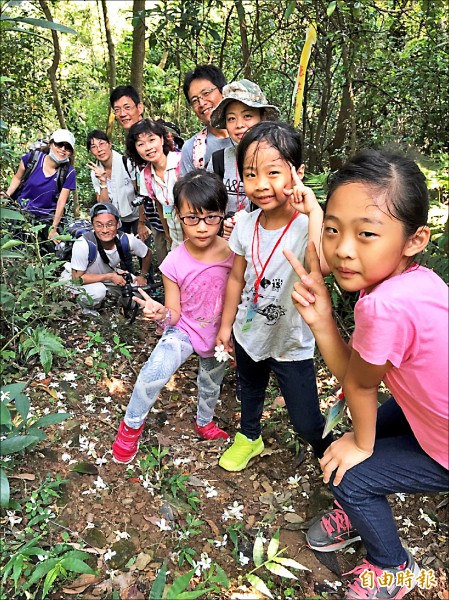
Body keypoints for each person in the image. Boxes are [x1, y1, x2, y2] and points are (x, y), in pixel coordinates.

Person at [285, 150, 449, 599]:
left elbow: (359, 384)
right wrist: (321, 318)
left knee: (350, 472)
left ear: (415, 239)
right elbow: (358, 372)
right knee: (347, 451)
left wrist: (362, 444)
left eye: (367, 234)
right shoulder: (418, 281)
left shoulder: (383, 304)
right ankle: (361, 513)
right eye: (334, 230)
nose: (343, 249)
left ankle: (394, 568)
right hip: (430, 415)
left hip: (444, 442)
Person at [216, 121, 332, 472]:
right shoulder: (246, 224)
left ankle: (331, 455)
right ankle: (249, 436)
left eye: (273, 172)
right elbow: (236, 277)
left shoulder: (305, 224)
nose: (262, 185)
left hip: (291, 340)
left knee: (307, 420)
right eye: (251, 174)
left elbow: (321, 266)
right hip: (249, 331)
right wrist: (226, 327)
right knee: (249, 391)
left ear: (297, 174)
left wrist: (314, 211)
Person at [112, 170, 234, 463]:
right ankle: (130, 427)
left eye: (210, 217)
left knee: (211, 381)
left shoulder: (234, 251)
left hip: (222, 332)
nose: (202, 227)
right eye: (192, 218)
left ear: (222, 214)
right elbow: (174, 312)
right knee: (154, 371)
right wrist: (161, 313)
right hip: (185, 329)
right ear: (178, 217)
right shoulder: (173, 262)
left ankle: (204, 422)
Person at [207, 78, 280, 238]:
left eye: (247, 116)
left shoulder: (277, 160)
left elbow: (283, 210)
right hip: (226, 247)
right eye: (231, 118)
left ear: (263, 117)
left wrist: (248, 225)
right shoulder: (219, 160)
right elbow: (208, 205)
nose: (239, 124)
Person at [110, 85, 167, 266]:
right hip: (158, 222)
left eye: (127, 107)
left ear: (139, 108)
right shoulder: (131, 145)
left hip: (177, 221)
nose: (122, 114)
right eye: (117, 110)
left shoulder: (157, 133)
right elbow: (144, 188)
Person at [65, 202, 152, 314]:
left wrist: (143, 275)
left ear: (117, 224)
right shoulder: (83, 244)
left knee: (139, 291)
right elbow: (77, 279)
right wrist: (109, 276)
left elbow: (147, 253)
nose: (105, 230)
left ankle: (122, 302)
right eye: (99, 225)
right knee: (98, 292)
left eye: (110, 224)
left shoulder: (125, 240)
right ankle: (85, 307)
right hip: (83, 280)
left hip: (108, 275)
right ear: (93, 225)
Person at [3, 129, 76, 242]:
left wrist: (54, 228)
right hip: (22, 213)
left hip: (46, 219)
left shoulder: (68, 172)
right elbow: (18, 177)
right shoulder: (32, 159)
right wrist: (7, 195)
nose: (63, 149)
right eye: (59, 144)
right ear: (51, 144)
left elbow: (62, 201)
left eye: (67, 147)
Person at [126, 119, 183, 251]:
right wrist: (167, 232)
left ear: (162, 140)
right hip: (175, 237)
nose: (148, 147)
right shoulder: (146, 175)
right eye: (141, 144)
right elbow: (159, 205)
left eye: (152, 140)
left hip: (195, 234)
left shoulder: (181, 161)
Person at [180, 64, 232, 175]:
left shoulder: (250, 134)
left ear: (223, 90)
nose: (202, 103)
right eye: (194, 100)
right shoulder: (192, 149)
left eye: (206, 93)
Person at [86, 130, 139, 235]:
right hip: (116, 220)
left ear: (109, 144)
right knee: (121, 249)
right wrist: (103, 181)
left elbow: (141, 193)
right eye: (94, 147)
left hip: (137, 216)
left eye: (101, 144)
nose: (99, 149)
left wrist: (142, 223)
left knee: (142, 249)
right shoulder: (95, 173)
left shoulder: (127, 163)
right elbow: (104, 205)